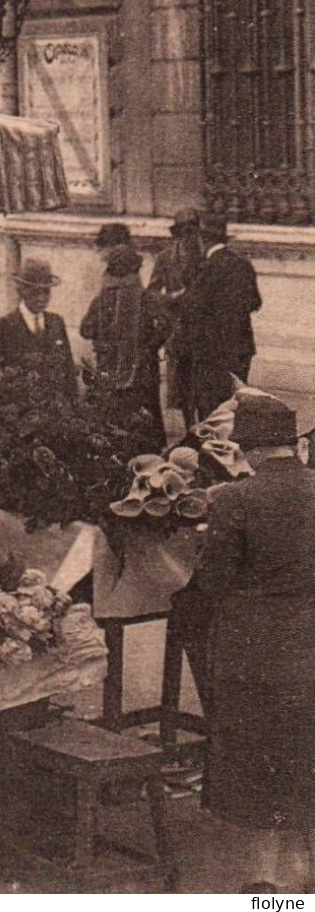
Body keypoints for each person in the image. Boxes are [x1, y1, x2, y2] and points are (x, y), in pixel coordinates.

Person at [195, 392, 315, 894]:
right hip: (308, 647)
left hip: (253, 651)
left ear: (254, 449)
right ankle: (305, 871)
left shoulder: (236, 501)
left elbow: (211, 582)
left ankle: (268, 885)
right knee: (304, 754)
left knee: (260, 765)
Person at [79, 244, 168, 444]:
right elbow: (165, 325)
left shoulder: (102, 298)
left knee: (113, 421)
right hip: (142, 371)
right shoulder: (145, 298)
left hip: (109, 370)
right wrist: (149, 346)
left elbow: (85, 329)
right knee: (146, 423)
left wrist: (103, 339)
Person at [183, 214, 262, 421]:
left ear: (203, 240)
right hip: (240, 347)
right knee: (234, 404)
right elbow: (255, 302)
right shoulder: (243, 264)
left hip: (211, 351)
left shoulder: (206, 268)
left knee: (211, 410)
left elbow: (193, 308)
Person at [0, 257, 77, 394]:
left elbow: (69, 372)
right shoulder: (2, 328)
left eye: (46, 292)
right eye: (35, 292)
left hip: (55, 409)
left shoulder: (57, 323)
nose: (41, 298)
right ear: (21, 291)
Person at [150, 208, 207, 427]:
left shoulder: (206, 258)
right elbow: (152, 294)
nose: (188, 237)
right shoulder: (165, 258)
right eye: (183, 232)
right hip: (177, 331)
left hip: (202, 332)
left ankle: (204, 429)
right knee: (182, 390)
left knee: (202, 387)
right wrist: (172, 297)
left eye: (192, 231)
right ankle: (189, 428)